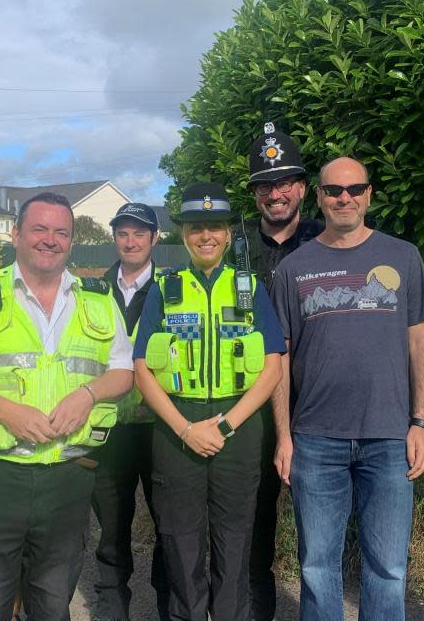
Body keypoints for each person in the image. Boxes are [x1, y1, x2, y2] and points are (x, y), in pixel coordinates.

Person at [0, 192, 135, 621]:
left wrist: (87, 394)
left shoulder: (98, 300)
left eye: (61, 232)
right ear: (16, 235)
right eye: (39, 229)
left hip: (67, 480)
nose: (50, 240)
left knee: (54, 607)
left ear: (72, 241)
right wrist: (9, 413)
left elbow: (123, 373)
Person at [271, 156, 424, 621]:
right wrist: (284, 436)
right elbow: (279, 358)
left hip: (388, 437)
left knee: (388, 568)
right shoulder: (293, 269)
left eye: (354, 189)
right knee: (317, 567)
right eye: (333, 190)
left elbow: (420, 341)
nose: (344, 197)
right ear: (318, 197)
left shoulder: (403, 256)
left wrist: (420, 422)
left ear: (369, 194)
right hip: (315, 439)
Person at [132, 182, 285, 621]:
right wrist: (185, 429)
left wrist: (224, 426)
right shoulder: (166, 288)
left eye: (214, 226)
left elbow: (272, 366)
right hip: (177, 428)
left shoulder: (249, 287)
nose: (206, 236)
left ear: (228, 233)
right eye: (197, 227)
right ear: (183, 234)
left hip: (236, 428)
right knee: (180, 546)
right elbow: (142, 369)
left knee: (235, 546)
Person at [235, 122, 323, 621]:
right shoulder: (234, 248)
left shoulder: (327, 241)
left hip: (314, 409)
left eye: (286, 181)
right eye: (266, 184)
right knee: (253, 538)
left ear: (303, 188)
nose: (276, 192)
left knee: (319, 542)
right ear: (254, 193)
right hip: (252, 412)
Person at [90, 202, 171, 621]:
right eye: (123, 233)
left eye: (140, 233)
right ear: (114, 238)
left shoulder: (174, 290)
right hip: (108, 431)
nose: (131, 241)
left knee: (169, 528)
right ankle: (111, 610)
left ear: (155, 239)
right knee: (110, 533)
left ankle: (168, 608)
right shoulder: (94, 291)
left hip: (160, 429)